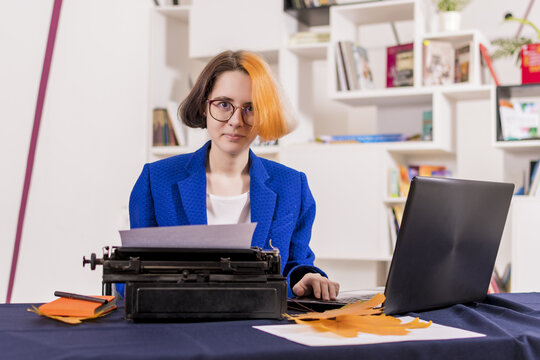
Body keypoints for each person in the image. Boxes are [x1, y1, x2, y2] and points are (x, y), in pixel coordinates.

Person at [125, 50, 339, 300]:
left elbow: (295, 264)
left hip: (261, 325)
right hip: (177, 323)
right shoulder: (156, 180)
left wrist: (308, 277)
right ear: (204, 106)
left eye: (251, 108)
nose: (236, 120)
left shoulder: (293, 185)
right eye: (224, 104)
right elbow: (130, 273)